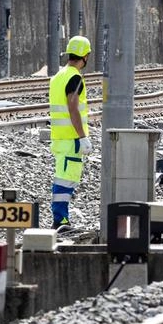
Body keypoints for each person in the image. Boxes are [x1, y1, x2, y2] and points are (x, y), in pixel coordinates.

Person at [49, 36, 93, 229]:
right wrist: (82, 137)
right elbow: (73, 108)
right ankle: (61, 220)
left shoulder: (58, 76)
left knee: (63, 177)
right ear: (85, 56)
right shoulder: (74, 77)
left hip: (59, 138)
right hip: (71, 138)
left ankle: (61, 218)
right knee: (67, 180)